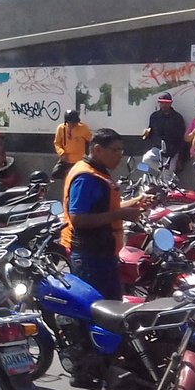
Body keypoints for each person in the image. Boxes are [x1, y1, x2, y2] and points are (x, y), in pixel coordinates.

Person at [62, 128, 149, 303]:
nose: (119, 155)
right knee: (100, 310)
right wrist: (121, 214)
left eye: (121, 150)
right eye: (115, 150)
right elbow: (78, 219)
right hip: (91, 257)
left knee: (112, 307)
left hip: (103, 255)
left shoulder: (98, 172)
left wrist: (135, 202)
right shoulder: (86, 178)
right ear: (97, 150)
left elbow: (103, 209)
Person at [141, 91, 186, 180]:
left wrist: (181, 158)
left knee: (168, 181)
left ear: (171, 103)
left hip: (172, 151)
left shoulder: (177, 118)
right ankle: (166, 171)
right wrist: (146, 133)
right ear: (159, 103)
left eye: (166, 103)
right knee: (146, 159)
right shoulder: (154, 116)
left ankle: (168, 176)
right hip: (157, 149)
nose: (164, 105)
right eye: (162, 103)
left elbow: (181, 138)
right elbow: (151, 131)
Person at [52, 109, 92, 181]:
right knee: (55, 173)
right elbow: (57, 143)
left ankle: (72, 174)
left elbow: (91, 141)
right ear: (67, 122)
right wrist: (61, 153)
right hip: (66, 159)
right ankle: (70, 174)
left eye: (76, 122)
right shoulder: (61, 128)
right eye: (72, 123)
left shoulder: (83, 128)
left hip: (79, 160)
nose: (74, 124)